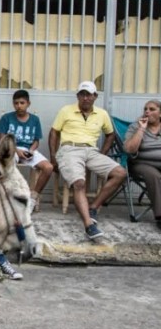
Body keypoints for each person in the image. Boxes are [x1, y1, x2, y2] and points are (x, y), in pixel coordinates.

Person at [48, 81, 127, 241]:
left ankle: (93, 207)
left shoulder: (102, 114)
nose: (85, 98)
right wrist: (53, 156)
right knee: (79, 183)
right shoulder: (66, 111)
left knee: (120, 173)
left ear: (95, 97)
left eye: (89, 95)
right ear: (78, 96)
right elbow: (54, 133)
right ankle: (89, 225)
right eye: (82, 94)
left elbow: (110, 134)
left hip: (91, 151)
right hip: (69, 149)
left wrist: (103, 153)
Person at [0, 89, 54, 212]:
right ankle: (9, 198)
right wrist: (16, 151)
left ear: (28, 103)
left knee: (48, 168)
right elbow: (1, 140)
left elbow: (36, 140)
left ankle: (32, 198)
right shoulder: (7, 118)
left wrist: (31, 151)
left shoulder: (34, 120)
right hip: (10, 148)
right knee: (7, 164)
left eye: (22, 103)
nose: (19, 106)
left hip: (28, 149)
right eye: (16, 103)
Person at [123, 99, 161, 229]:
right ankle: (159, 216)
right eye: (145, 109)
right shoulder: (135, 127)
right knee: (154, 175)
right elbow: (129, 149)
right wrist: (141, 129)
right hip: (141, 164)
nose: (147, 112)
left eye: (152, 109)